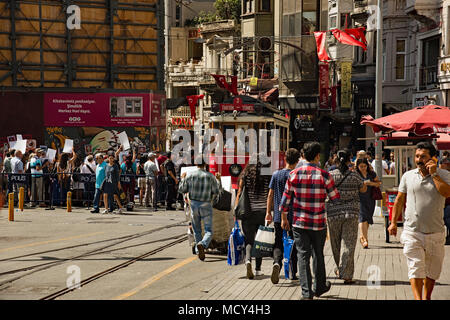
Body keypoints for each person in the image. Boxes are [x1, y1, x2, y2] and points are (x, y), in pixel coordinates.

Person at [388, 141, 450, 300]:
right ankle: (418, 298)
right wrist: (393, 222)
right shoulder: (408, 176)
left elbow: (447, 193)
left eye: (423, 156)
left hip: (435, 232)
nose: (418, 160)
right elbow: (400, 200)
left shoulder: (444, 175)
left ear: (433, 158)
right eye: (417, 156)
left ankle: (426, 297)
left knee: (432, 270)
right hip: (412, 231)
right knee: (415, 267)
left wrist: (434, 173)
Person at [279, 141, 340, 299]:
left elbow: (285, 201)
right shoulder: (324, 175)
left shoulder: (294, 174)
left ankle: (306, 293)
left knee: (303, 256)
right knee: (318, 255)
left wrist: (284, 218)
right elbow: (335, 198)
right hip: (318, 223)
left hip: (299, 223)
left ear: (303, 156)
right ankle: (319, 287)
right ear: (318, 156)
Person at [327, 150, 368, 284]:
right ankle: (346, 274)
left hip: (333, 213)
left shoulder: (330, 175)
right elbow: (363, 189)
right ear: (350, 160)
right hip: (351, 213)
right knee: (349, 244)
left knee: (335, 243)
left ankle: (340, 268)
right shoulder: (354, 175)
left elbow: (325, 191)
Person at [266, 148, 300, 284]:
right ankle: (292, 273)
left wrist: (268, 212)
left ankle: (277, 263)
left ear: (285, 159)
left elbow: (270, 195)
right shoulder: (295, 175)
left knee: (278, 242)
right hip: (294, 216)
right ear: (297, 161)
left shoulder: (276, 175)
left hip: (278, 216)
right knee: (293, 244)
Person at [234, 154, 271, 279]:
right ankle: (258, 269)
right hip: (262, 213)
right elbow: (269, 195)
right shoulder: (267, 176)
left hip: (248, 213)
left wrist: (236, 211)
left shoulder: (246, 175)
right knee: (260, 241)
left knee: (249, 240)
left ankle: (248, 260)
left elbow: (239, 193)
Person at [178, 156, 221, 261]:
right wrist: (218, 180)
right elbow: (216, 191)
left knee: (197, 230)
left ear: (196, 164)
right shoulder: (210, 176)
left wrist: (182, 179)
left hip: (194, 204)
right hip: (206, 204)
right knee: (208, 230)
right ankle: (203, 244)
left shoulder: (190, 175)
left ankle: (198, 249)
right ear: (205, 164)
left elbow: (182, 189)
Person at [355, 158, 382, 249]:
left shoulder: (371, 174)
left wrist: (370, 183)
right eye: (361, 166)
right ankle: (365, 240)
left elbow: (378, 183)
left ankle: (362, 237)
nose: (363, 168)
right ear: (357, 167)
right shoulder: (355, 174)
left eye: (364, 166)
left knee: (367, 218)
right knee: (362, 218)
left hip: (371, 198)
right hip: (359, 198)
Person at [102, 149, 123, 214]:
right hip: (107, 182)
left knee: (115, 195)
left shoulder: (115, 166)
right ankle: (106, 209)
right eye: (110, 158)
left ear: (113, 159)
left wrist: (118, 183)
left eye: (112, 158)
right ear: (108, 158)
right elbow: (105, 174)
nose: (111, 159)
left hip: (113, 182)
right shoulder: (106, 166)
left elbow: (117, 175)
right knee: (105, 195)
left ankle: (120, 207)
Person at [440, 156, 450, 244]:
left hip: (448, 203)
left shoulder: (446, 175)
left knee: (447, 218)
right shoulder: (443, 174)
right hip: (445, 203)